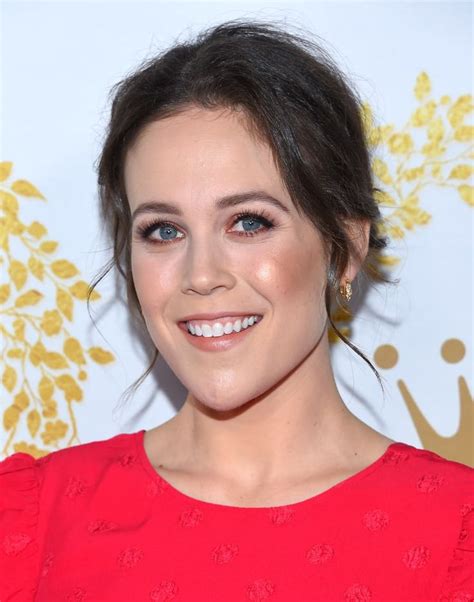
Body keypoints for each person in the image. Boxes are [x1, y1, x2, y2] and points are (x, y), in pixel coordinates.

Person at [1, 20, 472, 602]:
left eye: (249, 222)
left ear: (345, 249)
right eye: (164, 230)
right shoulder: (30, 525)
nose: (201, 275)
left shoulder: (453, 533)